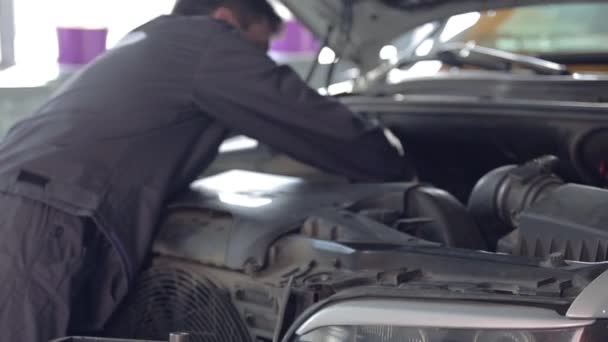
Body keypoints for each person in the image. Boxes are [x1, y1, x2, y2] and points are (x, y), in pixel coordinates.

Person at [0, 0, 410, 340]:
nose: (259, 61)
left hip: (25, 200)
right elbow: (307, 118)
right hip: (43, 215)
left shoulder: (153, 39)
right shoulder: (207, 42)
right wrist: (398, 166)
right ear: (226, 18)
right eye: (259, 47)